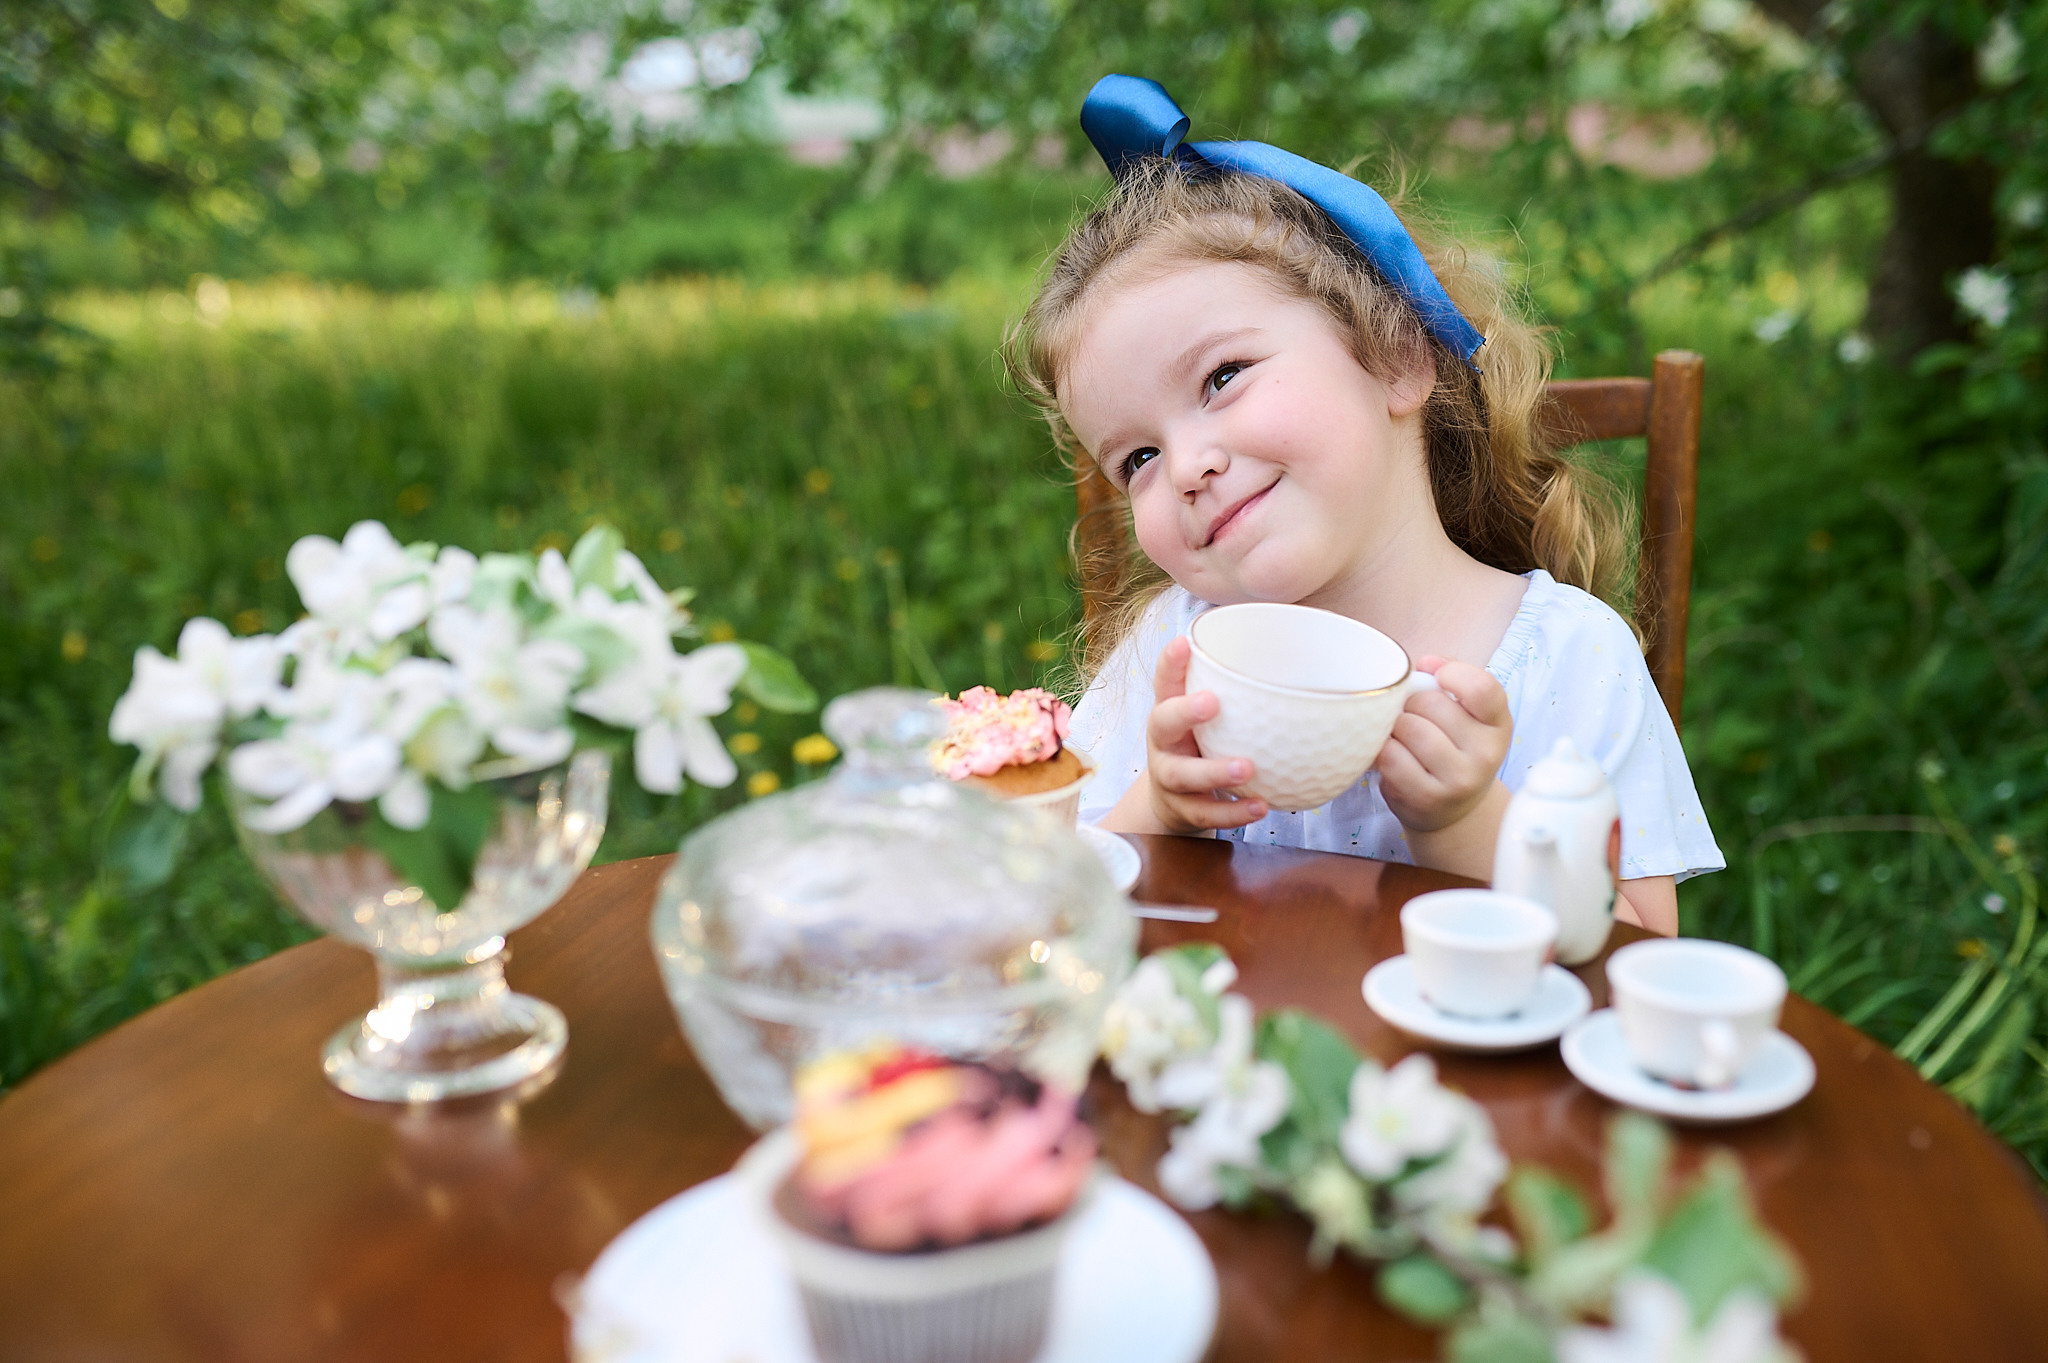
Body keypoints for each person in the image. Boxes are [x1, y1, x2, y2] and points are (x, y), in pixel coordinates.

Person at [1008, 77, 1721, 934]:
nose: (1187, 466)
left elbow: (1640, 948)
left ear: (1395, 356)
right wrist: (1156, 805)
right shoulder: (1173, 659)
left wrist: (1466, 824)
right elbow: (1045, 907)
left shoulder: (1567, 660)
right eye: (1138, 458)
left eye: (1222, 377)